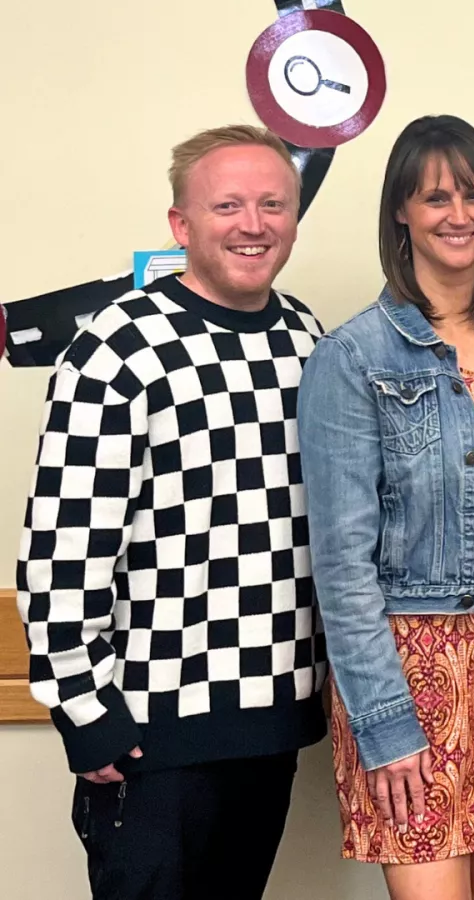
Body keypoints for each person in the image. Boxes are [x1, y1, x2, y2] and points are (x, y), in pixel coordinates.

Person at [15, 124, 327, 899]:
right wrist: (83, 709)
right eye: (227, 205)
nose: (253, 224)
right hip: (150, 733)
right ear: (181, 225)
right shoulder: (118, 346)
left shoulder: (306, 337)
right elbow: (62, 543)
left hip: (273, 718)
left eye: (272, 204)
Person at [297, 115, 474, 900]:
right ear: (402, 212)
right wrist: (383, 721)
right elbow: (342, 565)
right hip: (416, 669)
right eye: (435, 197)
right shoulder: (352, 357)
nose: (459, 214)